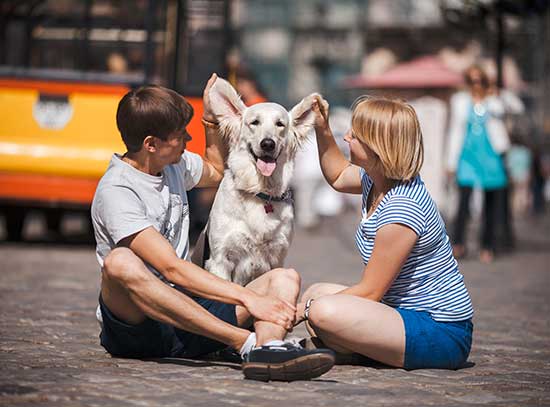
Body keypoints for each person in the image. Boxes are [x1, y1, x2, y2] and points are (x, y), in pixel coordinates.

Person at [90, 74, 335, 382]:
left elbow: (217, 170)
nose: (188, 141)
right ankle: (244, 343)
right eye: (181, 136)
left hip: (192, 321)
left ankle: (269, 349)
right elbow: (171, 269)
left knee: (285, 277)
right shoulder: (118, 190)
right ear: (151, 145)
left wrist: (210, 120)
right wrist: (247, 298)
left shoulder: (174, 166)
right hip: (136, 331)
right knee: (120, 262)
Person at [293, 95, 474, 370]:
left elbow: (370, 292)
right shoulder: (377, 180)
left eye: (356, 134)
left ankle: (365, 349)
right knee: (314, 294)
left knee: (319, 309)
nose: (347, 137)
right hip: (403, 313)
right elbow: (339, 176)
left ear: (378, 147)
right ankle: (363, 347)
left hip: (440, 330)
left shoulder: (403, 209)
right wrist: (322, 127)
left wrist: (301, 313)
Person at [446, 65, 510, 263]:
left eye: (480, 80)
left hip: (491, 154)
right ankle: (458, 243)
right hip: (467, 156)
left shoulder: (495, 101)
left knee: (491, 203)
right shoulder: (459, 101)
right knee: (463, 201)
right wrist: (450, 161)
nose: (476, 85)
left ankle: (487, 245)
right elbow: (455, 131)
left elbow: (514, 107)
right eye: (472, 81)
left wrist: (495, 93)